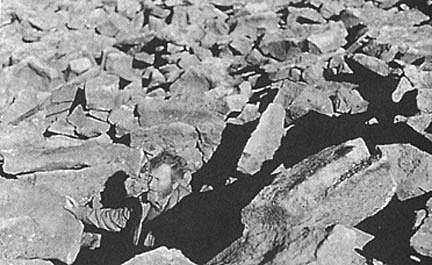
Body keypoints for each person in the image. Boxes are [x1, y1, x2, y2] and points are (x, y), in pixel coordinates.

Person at [65, 151, 191, 249]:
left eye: (158, 180)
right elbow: (114, 218)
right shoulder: (143, 202)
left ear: (174, 184)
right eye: (151, 178)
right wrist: (80, 212)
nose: (151, 185)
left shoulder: (187, 209)